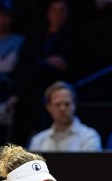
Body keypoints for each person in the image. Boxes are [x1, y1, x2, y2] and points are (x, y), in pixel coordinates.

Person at [11, 0, 75, 144]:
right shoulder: (36, 36)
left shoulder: (72, 38)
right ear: (48, 13)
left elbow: (68, 65)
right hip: (29, 88)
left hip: (53, 83)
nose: (58, 14)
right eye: (54, 10)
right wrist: (46, 62)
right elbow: (25, 61)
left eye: (62, 10)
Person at [27, 81, 102, 151]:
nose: (62, 108)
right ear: (48, 107)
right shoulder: (38, 140)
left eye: (67, 104)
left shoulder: (89, 137)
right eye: (57, 104)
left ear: (74, 105)